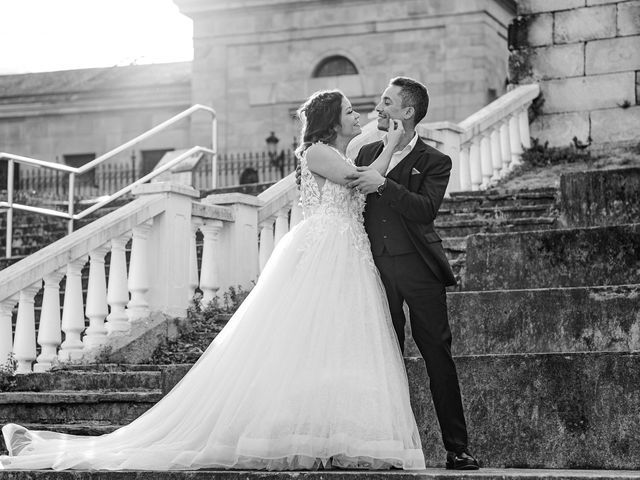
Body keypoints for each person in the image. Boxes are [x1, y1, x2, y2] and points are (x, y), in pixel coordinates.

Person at [0, 90, 425, 471]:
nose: (358, 116)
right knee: (304, 338)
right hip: (323, 250)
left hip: (347, 252)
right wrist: (389, 144)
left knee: (335, 343)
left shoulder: (341, 152)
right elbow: (361, 182)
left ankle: (332, 431)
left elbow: (361, 178)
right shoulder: (317, 152)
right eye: (350, 112)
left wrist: (386, 140)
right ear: (332, 121)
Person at [344, 77, 479, 470]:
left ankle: (458, 448)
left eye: (387, 102)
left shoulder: (436, 161)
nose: (378, 108)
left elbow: (424, 210)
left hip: (421, 270)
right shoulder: (366, 151)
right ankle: (392, 446)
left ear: (408, 112)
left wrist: (384, 184)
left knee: (438, 357)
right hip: (376, 270)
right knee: (385, 358)